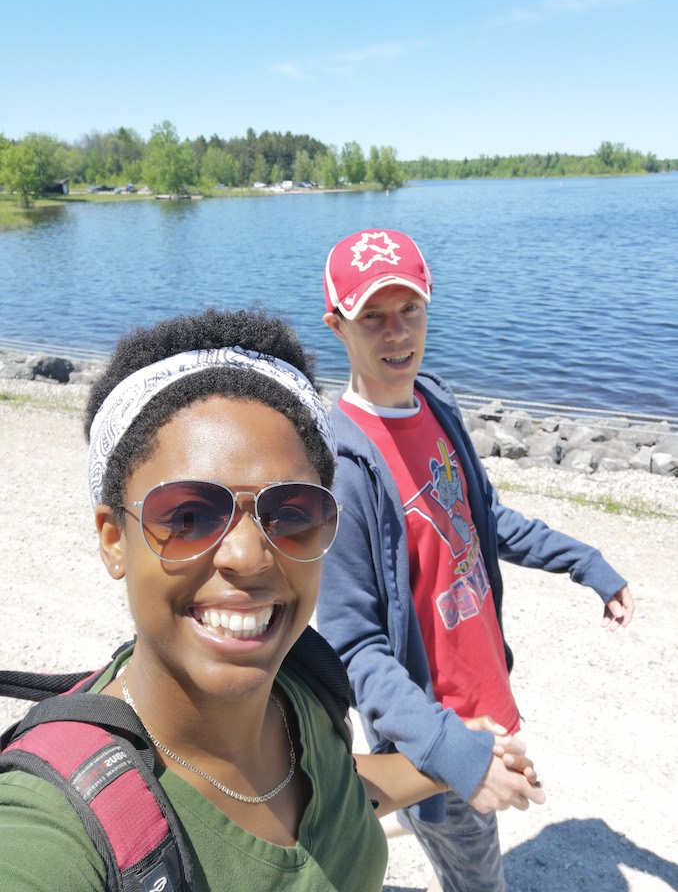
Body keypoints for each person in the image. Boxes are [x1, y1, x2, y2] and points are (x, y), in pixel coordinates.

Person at [0, 305, 516, 891]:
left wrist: (459, 759)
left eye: (291, 512)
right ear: (114, 539)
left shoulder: (302, 688)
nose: (247, 557)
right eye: (189, 515)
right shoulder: (55, 831)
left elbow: (337, 790)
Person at [316, 229, 635, 892]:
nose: (396, 332)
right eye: (372, 316)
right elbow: (355, 647)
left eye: (411, 310)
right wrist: (447, 752)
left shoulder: (434, 403)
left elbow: (482, 522)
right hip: (435, 728)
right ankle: (411, 812)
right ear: (337, 326)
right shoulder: (343, 467)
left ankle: (409, 815)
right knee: (479, 877)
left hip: (484, 687)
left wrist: (585, 561)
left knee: (472, 832)